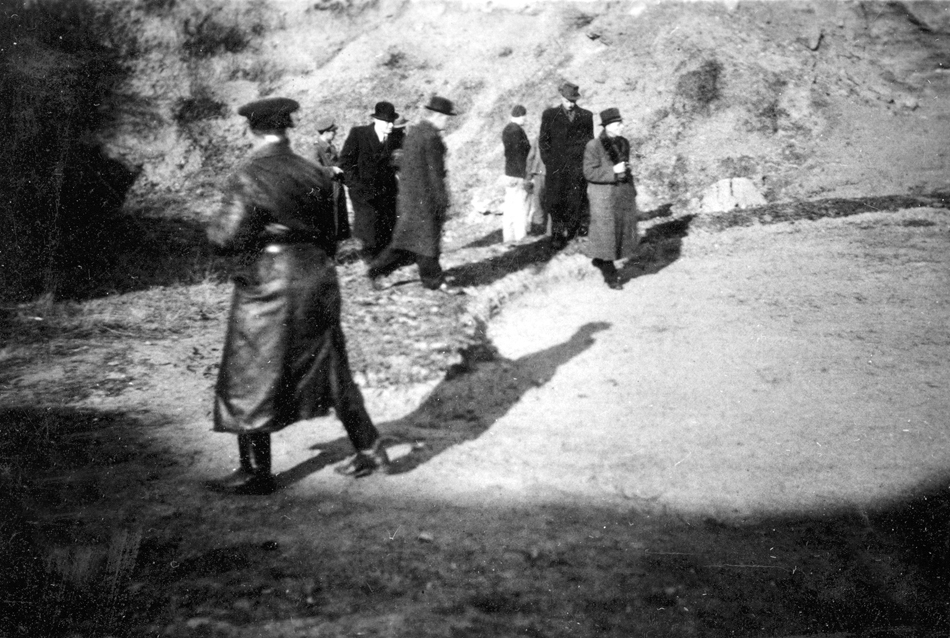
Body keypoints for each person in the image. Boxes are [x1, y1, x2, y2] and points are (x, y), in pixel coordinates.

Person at [206, 97, 388, 495]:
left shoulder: (249, 174)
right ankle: (370, 447)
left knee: (251, 368)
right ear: (286, 128)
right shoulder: (314, 172)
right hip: (318, 276)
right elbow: (334, 232)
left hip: (270, 282)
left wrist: (219, 228)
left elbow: (225, 237)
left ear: (251, 130)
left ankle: (256, 472)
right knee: (331, 363)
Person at [368, 96, 459, 293]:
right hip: (425, 200)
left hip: (410, 199)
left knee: (409, 242)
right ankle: (433, 280)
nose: (447, 122)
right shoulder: (431, 138)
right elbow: (435, 174)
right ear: (437, 116)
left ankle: (377, 270)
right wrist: (442, 200)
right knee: (425, 241)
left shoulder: (415, 132)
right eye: (446, 118)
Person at [583, 107, 638, 291]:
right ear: (606, 126)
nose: (621, 127)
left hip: (622, 194)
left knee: (620, 233)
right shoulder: (594, 146)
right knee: (607, 236)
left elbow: (626, 167)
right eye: (617, 124)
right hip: (604, 198)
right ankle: (610, 276)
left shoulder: (624, 142)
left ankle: (600, 260)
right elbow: (589, 172)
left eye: (621, 123)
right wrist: (613, 170)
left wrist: (631, 188)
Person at [339, 101, 401, 261]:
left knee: (387, 227)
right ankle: (369, 260)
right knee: (367, 230)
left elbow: (399, 162)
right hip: (363, 194)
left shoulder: (396, 136)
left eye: (392, 121)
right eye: (387, 122)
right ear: (376, 120)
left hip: (386, 192)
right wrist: (355, 186)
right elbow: (345, 162)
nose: (390, 125)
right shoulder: (358, 134)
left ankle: (385, 260)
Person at [538, 81, 594, 249]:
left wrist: (584, 164)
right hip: (556, 168)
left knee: (576, 200)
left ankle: (572, 232)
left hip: (577, 168)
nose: (570, 104)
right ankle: (557, 234)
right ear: (561, 97)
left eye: (573, 101)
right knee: (555, 201)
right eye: (567, 100)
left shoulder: (586, 116)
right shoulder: (549, 115)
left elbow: (589, 142)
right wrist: (550, 162)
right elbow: (544, 141)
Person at [313, 116, 349, 243]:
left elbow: (339, 166)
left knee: (341, 216)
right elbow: (314, 170)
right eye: (333, 131)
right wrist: (332, 170)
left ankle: (342, 243)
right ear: (326, 132)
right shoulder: (316, 149)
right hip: (326, 188)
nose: (335, 134)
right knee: (330, 218)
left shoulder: (332, 147)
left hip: (337, 187)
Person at [501, 104, 532, 243]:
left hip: (509, 172)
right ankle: (520, 236)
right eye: (525, 117)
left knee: (509, 206)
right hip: (519, 174)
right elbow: (520, 155)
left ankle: (508, 237)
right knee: (520, 206)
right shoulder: (518, 131)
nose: (526, 119)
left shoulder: (507, 129)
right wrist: (525, 175)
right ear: (521, 116)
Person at [526, 134, 548, 236]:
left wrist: (528, 176)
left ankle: (538, 227)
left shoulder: (539, 137)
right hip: (553, 173)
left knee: (538, 201)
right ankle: (549, 228)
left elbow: (530, 157)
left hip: (539, 172)